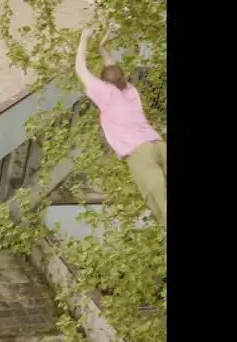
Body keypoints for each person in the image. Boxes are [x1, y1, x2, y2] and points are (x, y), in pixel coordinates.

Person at [74, 26, 167, 228]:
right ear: (124, 78)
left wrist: (84, 38)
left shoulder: (106, 94)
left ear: (103, 83)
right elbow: (114, 70)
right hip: (159, 144)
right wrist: (103, 47)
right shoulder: (130, 90)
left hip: (140, 153)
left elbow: (80, 69)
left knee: (161, 201)